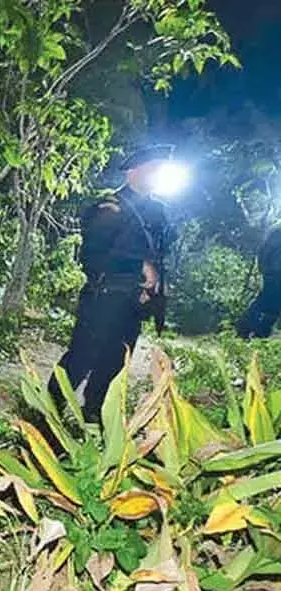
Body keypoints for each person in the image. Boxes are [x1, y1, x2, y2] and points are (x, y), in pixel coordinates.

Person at [49, 146, 175, 421]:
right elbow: (92, 256)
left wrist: (154, 287)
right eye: (153, 168)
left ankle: (93, 414)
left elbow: (161, 255)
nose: (157, 175)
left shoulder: (157, 213)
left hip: (133, 303)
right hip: (104, 297)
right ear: (132, 171)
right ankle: (45, 415)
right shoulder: (109, 207)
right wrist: (138, 266)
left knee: (116, 361)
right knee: (82, 358)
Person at [237, 227, 281, 339]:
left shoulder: (275, 232)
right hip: (275, 273)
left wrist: (264, 269)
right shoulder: (277, 233)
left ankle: (250, 330)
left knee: (268, 301)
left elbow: (262, 252)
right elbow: (264, 252)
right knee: (271, 302)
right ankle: (252, 330)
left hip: (271, 273)